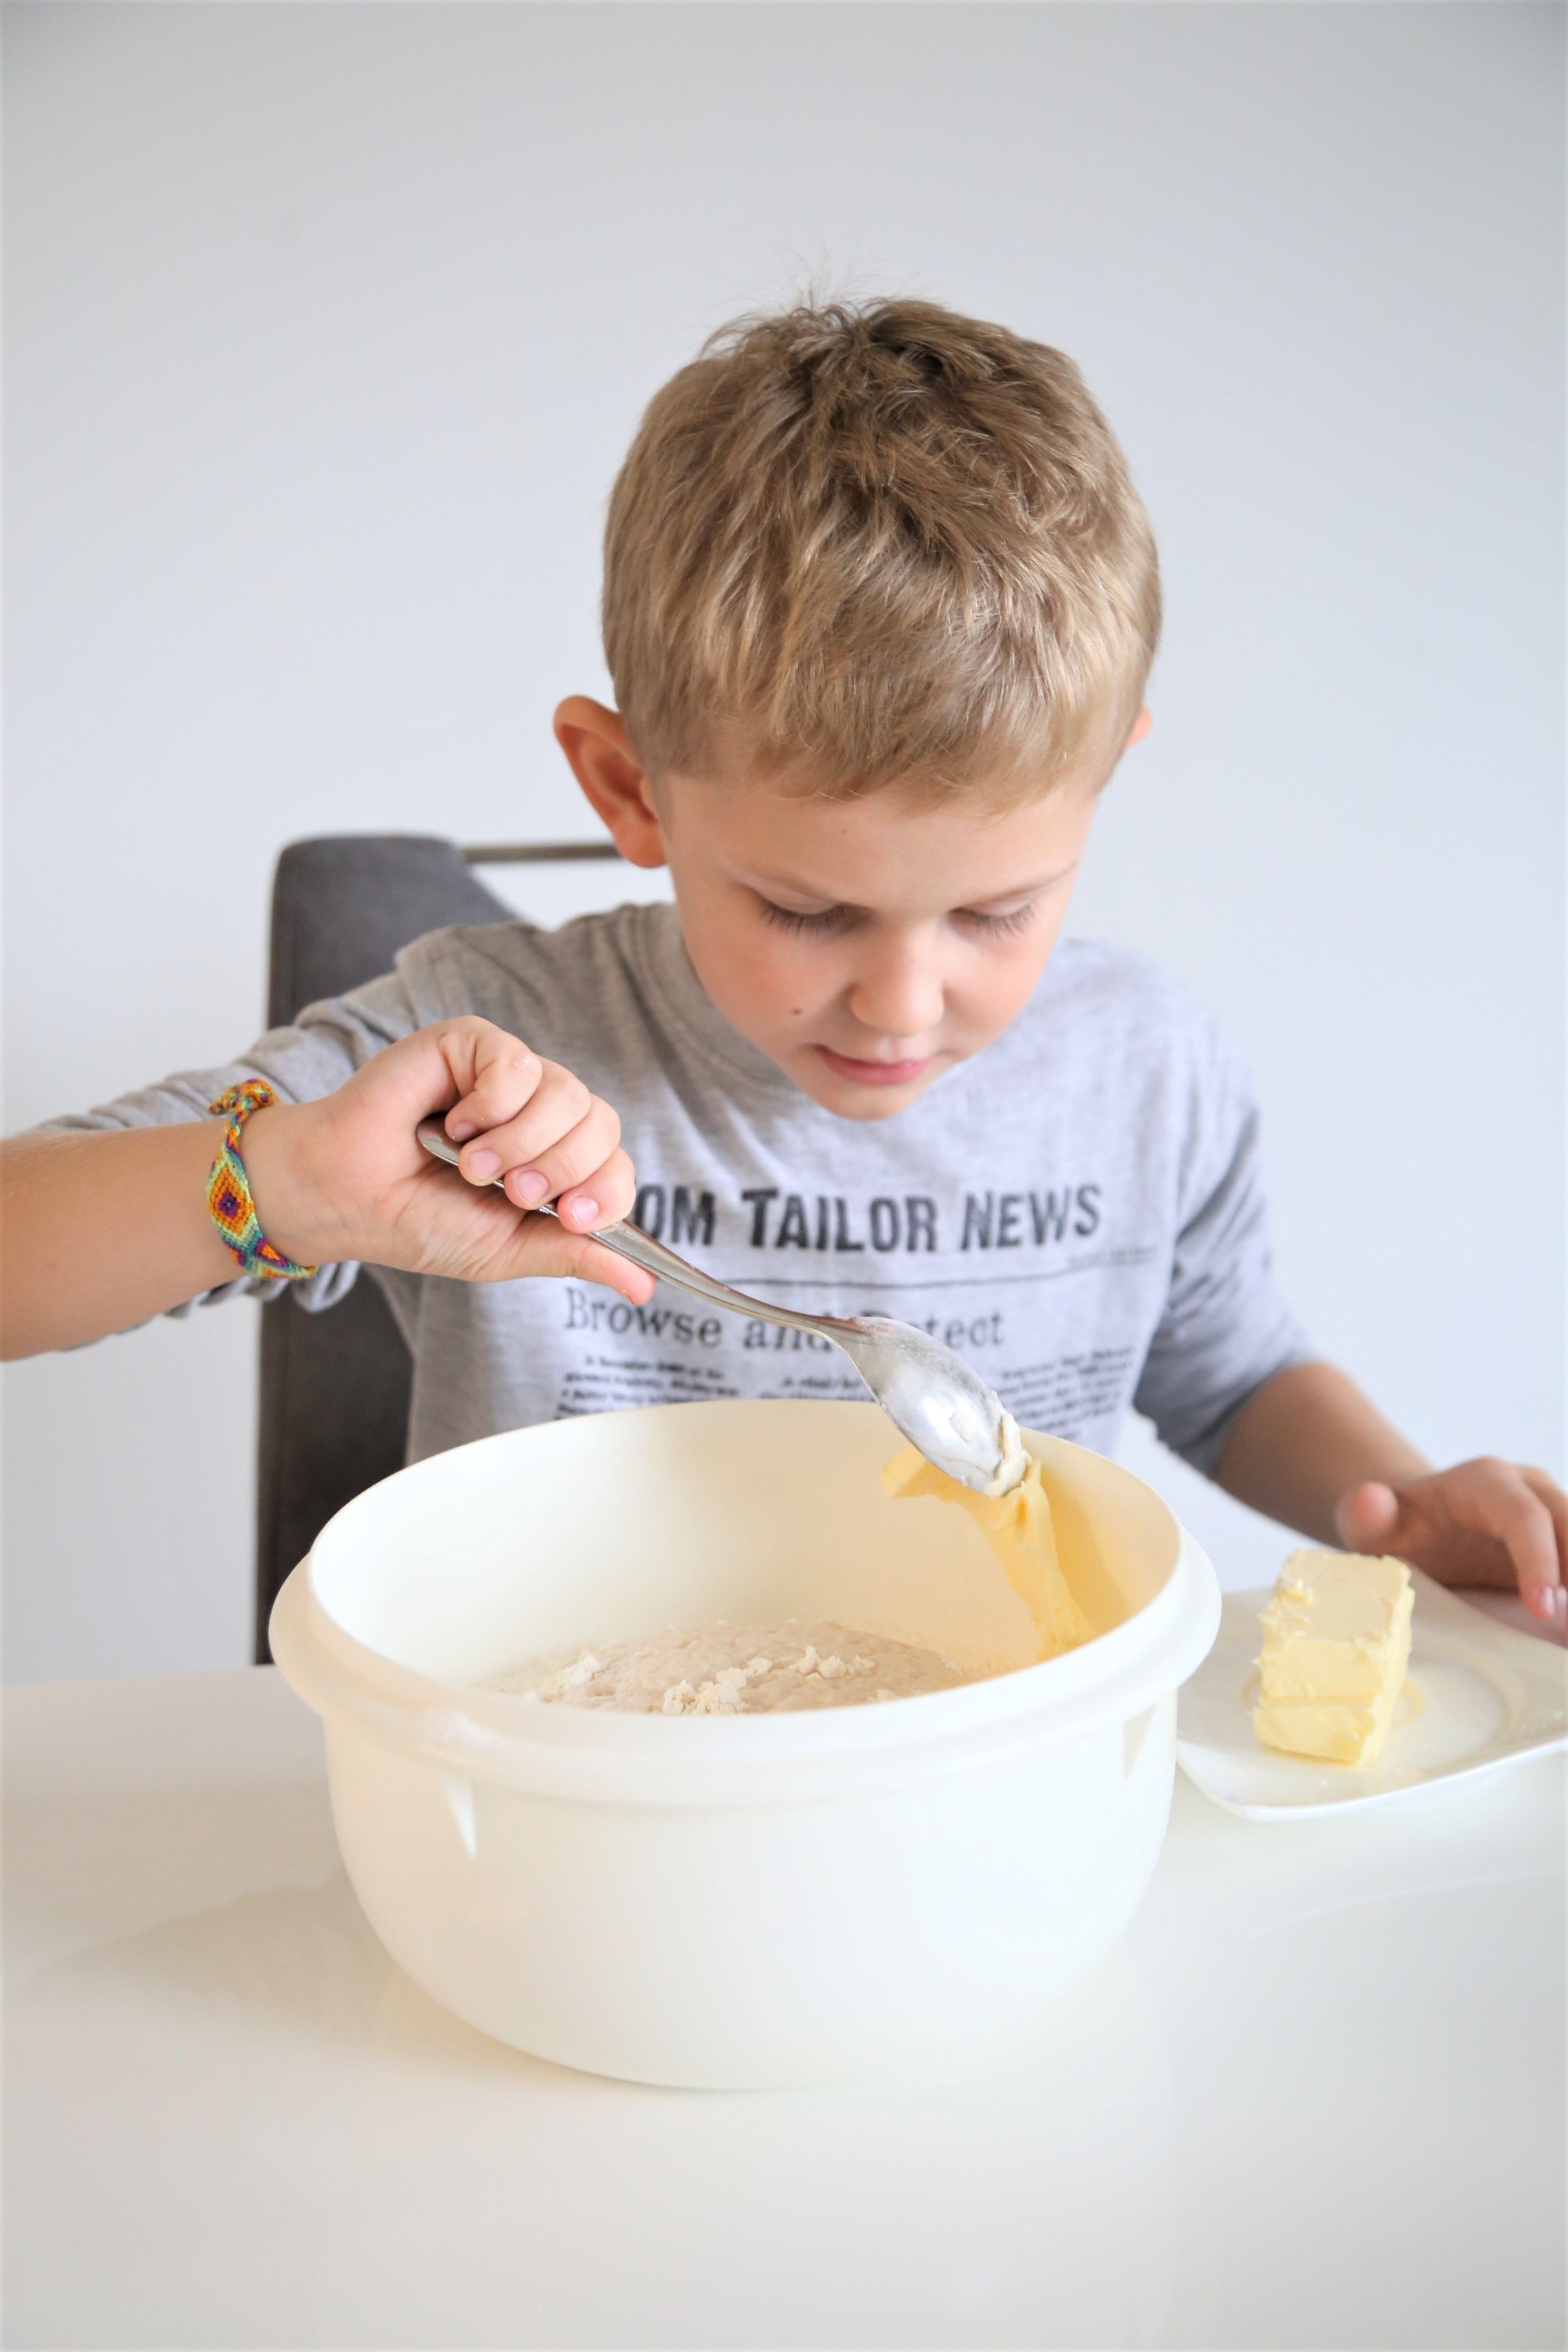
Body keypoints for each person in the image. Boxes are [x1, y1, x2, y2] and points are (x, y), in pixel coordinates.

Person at [4, 298, 1563, 1618]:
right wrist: (287, 1181)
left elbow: (1225, 1376)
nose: (903, 1002)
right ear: (629, 790)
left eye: (996, 912)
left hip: (992, 1777)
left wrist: (1400, 1505)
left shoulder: (1145, 1069)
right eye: (811, 914)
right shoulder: (487, 1043)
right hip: (575, 1795)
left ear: (1103, 788)